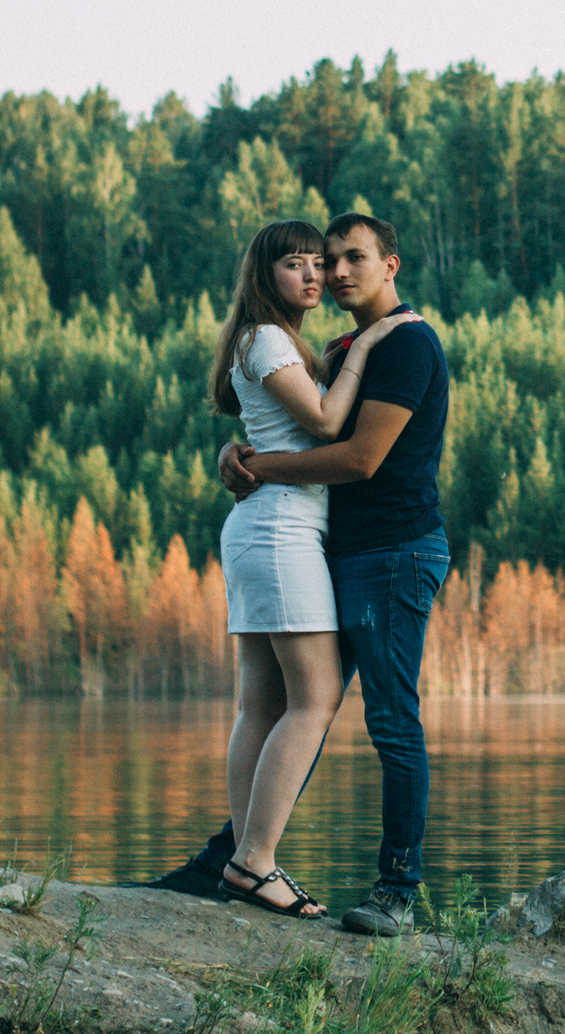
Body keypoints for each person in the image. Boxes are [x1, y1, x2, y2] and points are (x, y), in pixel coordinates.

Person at [145, 212, 452, 939]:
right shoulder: (335, 344)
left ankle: (395, 888)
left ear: (391, 265)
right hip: (326, 547)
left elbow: (358, 458)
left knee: (382, 718)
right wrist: (236, 450)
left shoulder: (405, 342)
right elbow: (292, 418)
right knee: (290, 706)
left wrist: (255, 465)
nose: (334, 272)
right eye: (322, 260)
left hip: (394, 552)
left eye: (350, 258)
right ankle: (239, 856)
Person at [204, 217, 408, 920]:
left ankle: (242, 859)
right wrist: (366, 346)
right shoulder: (264, 337)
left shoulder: (276, 342)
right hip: (282, 531)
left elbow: (279, 426)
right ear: (266, 275)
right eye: (297, 264)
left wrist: (330, 354)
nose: (315, 275)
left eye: (319, 263)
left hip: (268, 530)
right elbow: (325, 424)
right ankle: (255, 862)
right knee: (315, 698)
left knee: (260, 704)